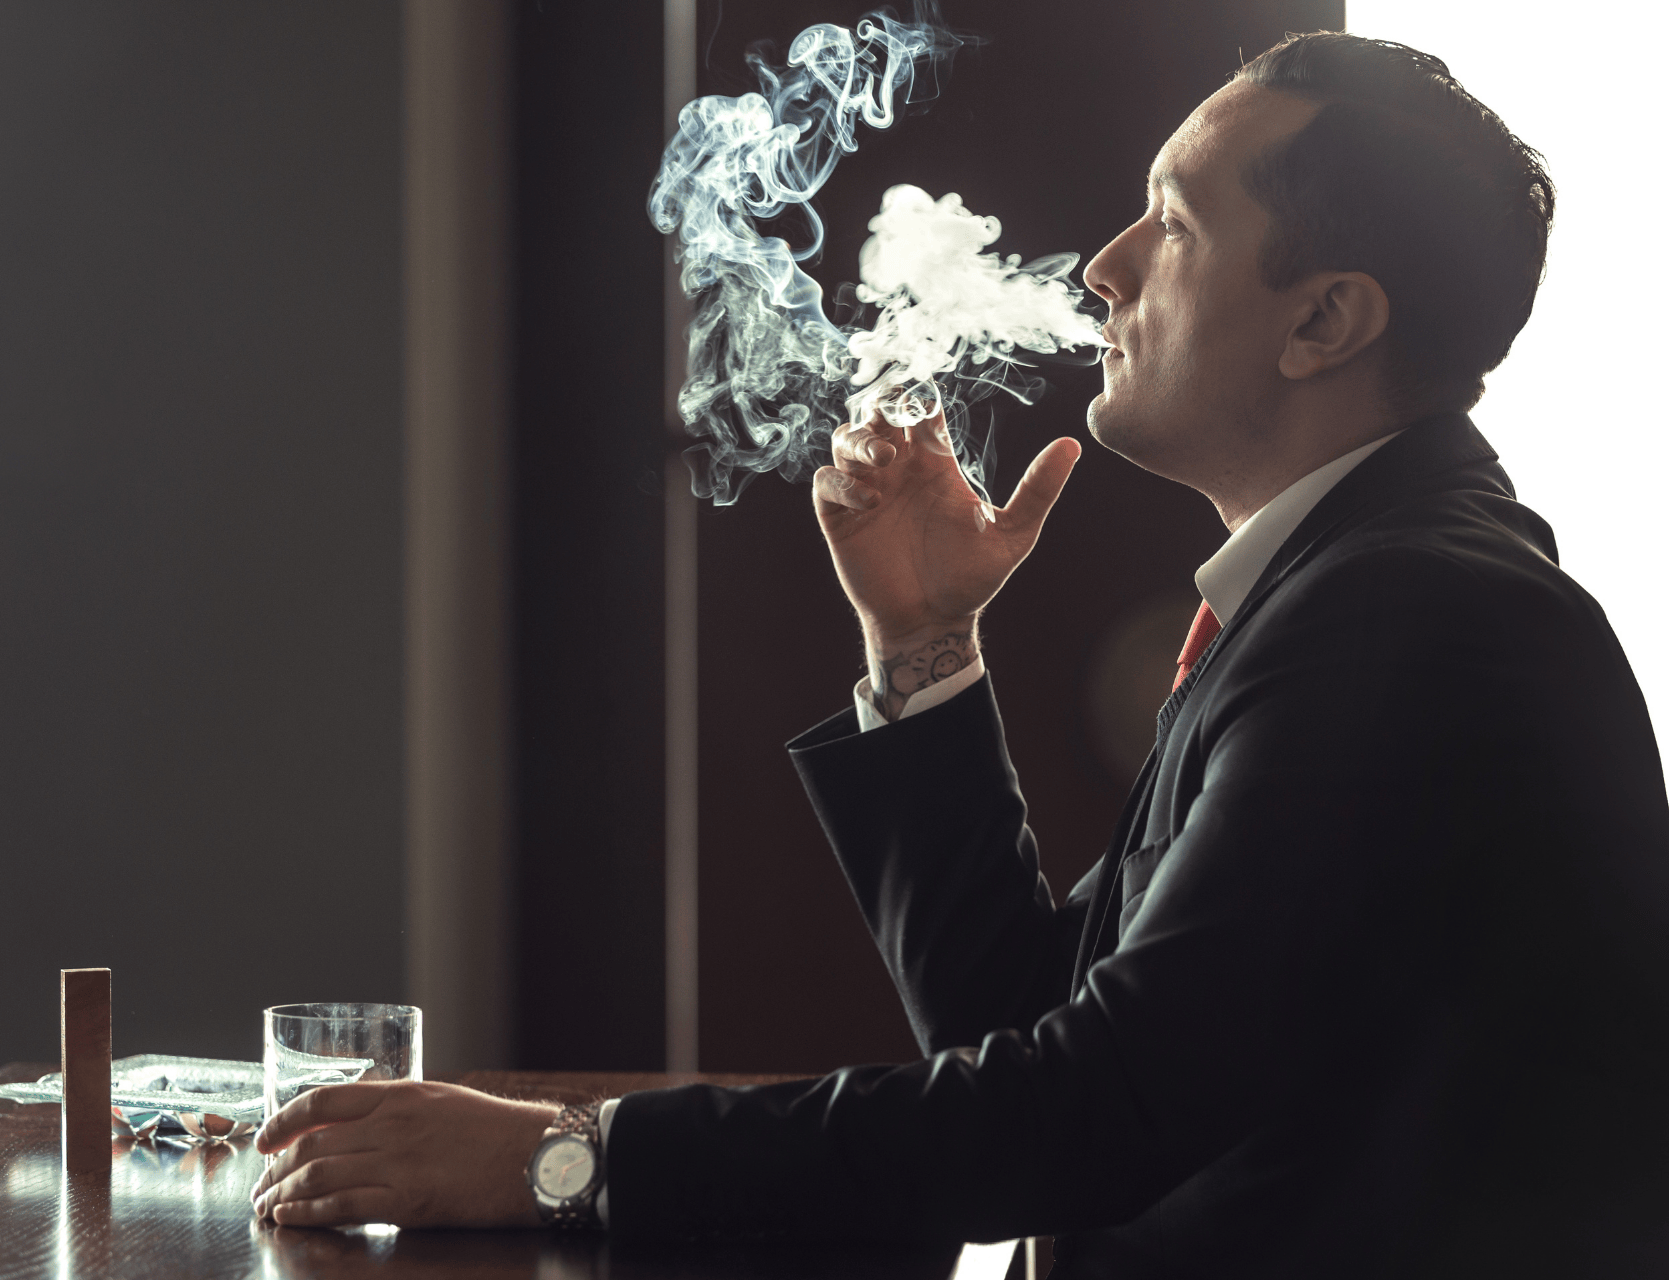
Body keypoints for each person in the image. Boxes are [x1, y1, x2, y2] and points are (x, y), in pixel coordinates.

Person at [247, 32, 1669, 1276]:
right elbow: (1035, 1027)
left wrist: (565, 1158)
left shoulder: (1418, 626)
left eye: (1170, 226)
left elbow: (1085, 1116)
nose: (1106, 266)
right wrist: (924, 645)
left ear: (1323, 321)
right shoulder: (1345, 589)